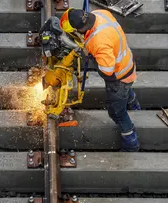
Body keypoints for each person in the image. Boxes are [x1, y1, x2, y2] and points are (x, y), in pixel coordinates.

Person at [60, 8, 141, 152]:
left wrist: (90, 54)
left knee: (117, 112)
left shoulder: (98, 42)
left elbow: (107, 72)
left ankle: (131, 143)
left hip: (119, 77)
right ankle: (135, 107)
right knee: (127, 92)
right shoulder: (100, 13)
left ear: (80, 29)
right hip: (127, 63)